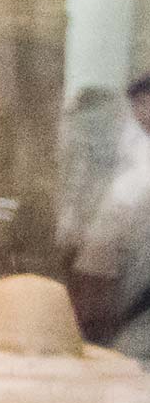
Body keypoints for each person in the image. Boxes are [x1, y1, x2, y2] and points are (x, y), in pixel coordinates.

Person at [71, 71, 150, 364]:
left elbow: (97, 269)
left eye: (144, 104)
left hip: (138, 342)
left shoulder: (134, 185)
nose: (140, 115)